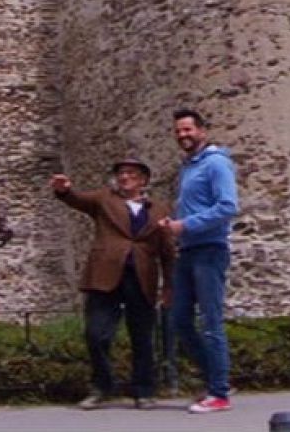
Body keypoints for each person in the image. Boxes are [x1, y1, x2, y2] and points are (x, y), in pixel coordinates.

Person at [50, 157, 175, 410]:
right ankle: (102, 385)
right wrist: (64, 190)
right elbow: (77, 199)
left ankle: (143, 390)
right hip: (104, 276)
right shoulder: (104, 199)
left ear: (142, 180)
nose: (125, 177)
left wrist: (169, 285)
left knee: (142, 338)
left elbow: (167, 250)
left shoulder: (159, 209)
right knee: (96, 334)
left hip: (142, 277)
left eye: (131, 174)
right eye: (121, 174)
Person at [158, 108, 239, 414]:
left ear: (202, 131)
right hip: (189, 251)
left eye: (188, 130)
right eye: (178, 131)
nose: (183, 136)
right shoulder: (188, 167)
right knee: (178, 320)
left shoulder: (216, 163)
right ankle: (218, 380)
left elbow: (228, 206)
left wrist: (186, 225)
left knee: (211, 322)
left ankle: (219, 394)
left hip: (210, 250)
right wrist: (175, 223)